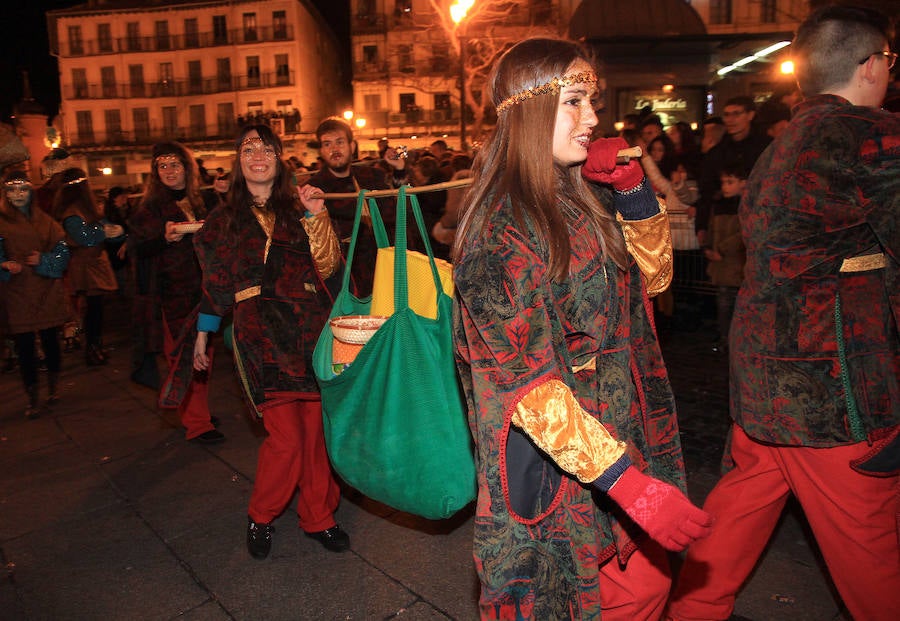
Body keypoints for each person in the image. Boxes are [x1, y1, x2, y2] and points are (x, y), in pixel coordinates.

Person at [452, 37, 712, 620]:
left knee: (644, 588)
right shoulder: (497, 230)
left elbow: (658, 278)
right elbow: (530, 388)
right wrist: (628, 485)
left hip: (616, 427)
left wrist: (633, 190)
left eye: (590, 101)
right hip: (557, 455)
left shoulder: (583, 195)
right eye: (575, 101)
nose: (593, 119)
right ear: (528, 109)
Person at [667, 6, 899, 621]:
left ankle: (691, 610)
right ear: (871, 64)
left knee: (741, 510)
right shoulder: (871, 136)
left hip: (763, 372)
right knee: (870, 545)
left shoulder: (778, 148)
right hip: (837, 384)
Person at [193, 124, 349, 559]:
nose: (257, 154)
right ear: (238, 160)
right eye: (248, 147)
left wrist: (317, 217)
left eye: (266, 147)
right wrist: (203, 335)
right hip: (259, 334)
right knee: (287, 440)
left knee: (317, 434)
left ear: (279, 158)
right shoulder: (223, 220)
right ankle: (262, 515)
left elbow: (331, 268)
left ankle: (319, 517)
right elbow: (216, 283)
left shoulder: (299, 208)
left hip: (308, 329)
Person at [129, 141, 223, 444]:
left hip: (205, 292)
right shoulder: (149, 208)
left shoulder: (203, 200)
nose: (169, 170)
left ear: (187, 167)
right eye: (162, 165)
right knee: (183, 358)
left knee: (204, 356)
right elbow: (137, 248)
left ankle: (198, 412)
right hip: (171, 296)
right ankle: (197, 423)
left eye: (175, 163)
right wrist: (163, 238)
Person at [305, 116, 409, 297]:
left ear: (352, 146)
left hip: (384, 271)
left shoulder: (372, 176)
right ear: (321, 151)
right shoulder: (314, 190)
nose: (335, 149)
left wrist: (399, 170)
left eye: (340, 142)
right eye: (327, 144)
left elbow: (399, 212)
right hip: (344, 279)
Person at [0, 169, 70, 418]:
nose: (17, 195)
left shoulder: (46, 221)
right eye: (12, 190)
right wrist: (5, 264)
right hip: (17, 292)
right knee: (25, 346)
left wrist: (44, 260)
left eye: (22, 189)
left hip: (45, 289)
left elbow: (62, 251)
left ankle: (53, 388)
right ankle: (32, 397)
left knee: (51, 340)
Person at [51, 167, 123, 366]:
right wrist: (105, 232)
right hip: (86, 264)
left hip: (93, 261)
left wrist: (112, 232)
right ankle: (92, 348)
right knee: (92, 310)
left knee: (96, 309)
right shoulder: (73, 213)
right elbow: (84, 237)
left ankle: (95, 346)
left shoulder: (81, 209)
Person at [695, 96, 770, 246]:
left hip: (759, 218)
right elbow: (706, 191)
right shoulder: (717, 153)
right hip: (724, 219)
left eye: (736, 114)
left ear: (750, 115)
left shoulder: (766, 147)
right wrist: (701, 226)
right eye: (727, 115)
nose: (730, 119)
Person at [702, 164, 748, 353]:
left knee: (736, 303)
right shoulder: (719, 205)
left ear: (742, 184)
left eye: (730, 182)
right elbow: (713, 228)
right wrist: (709, 247)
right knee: (722, 301)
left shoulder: (745, 206)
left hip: (736, 263)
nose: (725, 187)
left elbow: (741, 234)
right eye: (723, 183)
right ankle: (724, 337)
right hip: (720, 263)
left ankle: (737, 339)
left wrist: (722, 248)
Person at [103, 186, 133, 296]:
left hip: (126, 245)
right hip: (115, 248)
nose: (125, 198)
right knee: (119, 273)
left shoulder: (127, 210)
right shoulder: (110, 213)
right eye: (122, 196)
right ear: (115, 198)